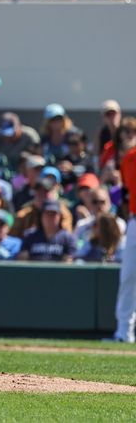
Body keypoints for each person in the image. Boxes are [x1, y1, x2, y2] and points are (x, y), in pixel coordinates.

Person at [111, 118, 136, 342]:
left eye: (131, 131)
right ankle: (123, 333)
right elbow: (126, 194)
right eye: (123, 132)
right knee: (128, 276)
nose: (126, 135)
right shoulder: (126, 160)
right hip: (134, 221)